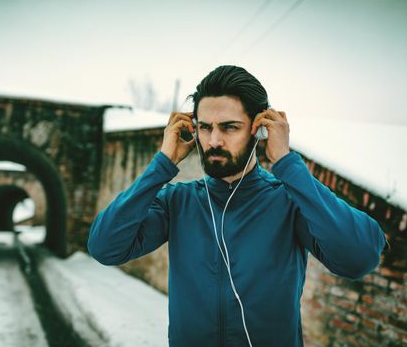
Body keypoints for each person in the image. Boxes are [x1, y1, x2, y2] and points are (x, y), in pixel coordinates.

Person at [87, 65, 386, 347]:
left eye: (229, 127)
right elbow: (105, 246)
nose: (214, 140)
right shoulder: (177, 202)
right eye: (205, 127)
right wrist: (162, 164)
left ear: (258, 130)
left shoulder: (289, 202)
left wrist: (287, 164)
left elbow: (359, 257)